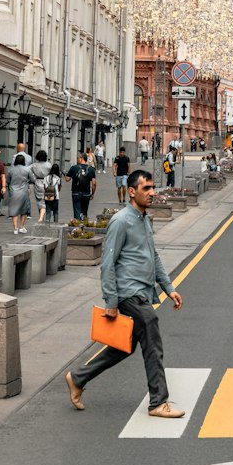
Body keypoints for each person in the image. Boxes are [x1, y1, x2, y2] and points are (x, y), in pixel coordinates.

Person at [64, 168, 185, 419]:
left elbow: (154, 257)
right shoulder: (121, 221)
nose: (152, 193)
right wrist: (111, 302)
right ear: (132, 192)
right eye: (146, 189)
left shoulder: (144, 218)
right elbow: (107, 263)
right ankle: (158, 402)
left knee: (124, 345)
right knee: (152, 337)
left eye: (153, 188)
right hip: (128, 293)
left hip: (143, 291)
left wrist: (169, 288)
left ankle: (78, 378)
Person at [66, 153, 98, 220]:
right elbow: (94, 183)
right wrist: (92, 194)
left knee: (77, 211)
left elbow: (67, 179)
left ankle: (77, 227)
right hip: (86, 193)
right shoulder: (91, 169)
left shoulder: (74, 168)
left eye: (78, 158)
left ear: (81, 158)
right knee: (84, 212)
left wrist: (67, 174)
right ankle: (83, 226)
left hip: (76, 193)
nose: (77, 160)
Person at [7, 153, 32, 235]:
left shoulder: (11, 170)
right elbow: (32, 179)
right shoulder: (27, 169)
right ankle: (21, 227)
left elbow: (8, 181)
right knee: (24, 211)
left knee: (14, 210)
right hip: (24, 192)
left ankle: (15, 229)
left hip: (13, 191)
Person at [30, 148, 52, 223]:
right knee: (46, 200)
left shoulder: (34, 165)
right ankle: (43, 217)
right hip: (47, 183)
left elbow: (27, 171)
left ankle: (41, 216)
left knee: (39, 200)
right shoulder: (49, 165)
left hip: (37, 182)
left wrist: (33, 179)